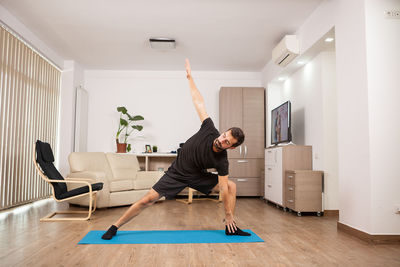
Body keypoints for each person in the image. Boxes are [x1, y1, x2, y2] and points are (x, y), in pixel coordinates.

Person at [102, 59, 250, 240]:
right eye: (224, 136)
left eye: (227, 142)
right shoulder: (209, 129)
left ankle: (230, 226)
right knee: (147, 199)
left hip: (197, 176)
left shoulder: (222, 160)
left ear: (232, 147)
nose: (222, 141)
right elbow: (199, 102)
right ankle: (115, 226)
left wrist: (227, 213)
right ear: (223, 132)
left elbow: (225, 190)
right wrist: (190, 78)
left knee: (231, 185)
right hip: (177, 173)